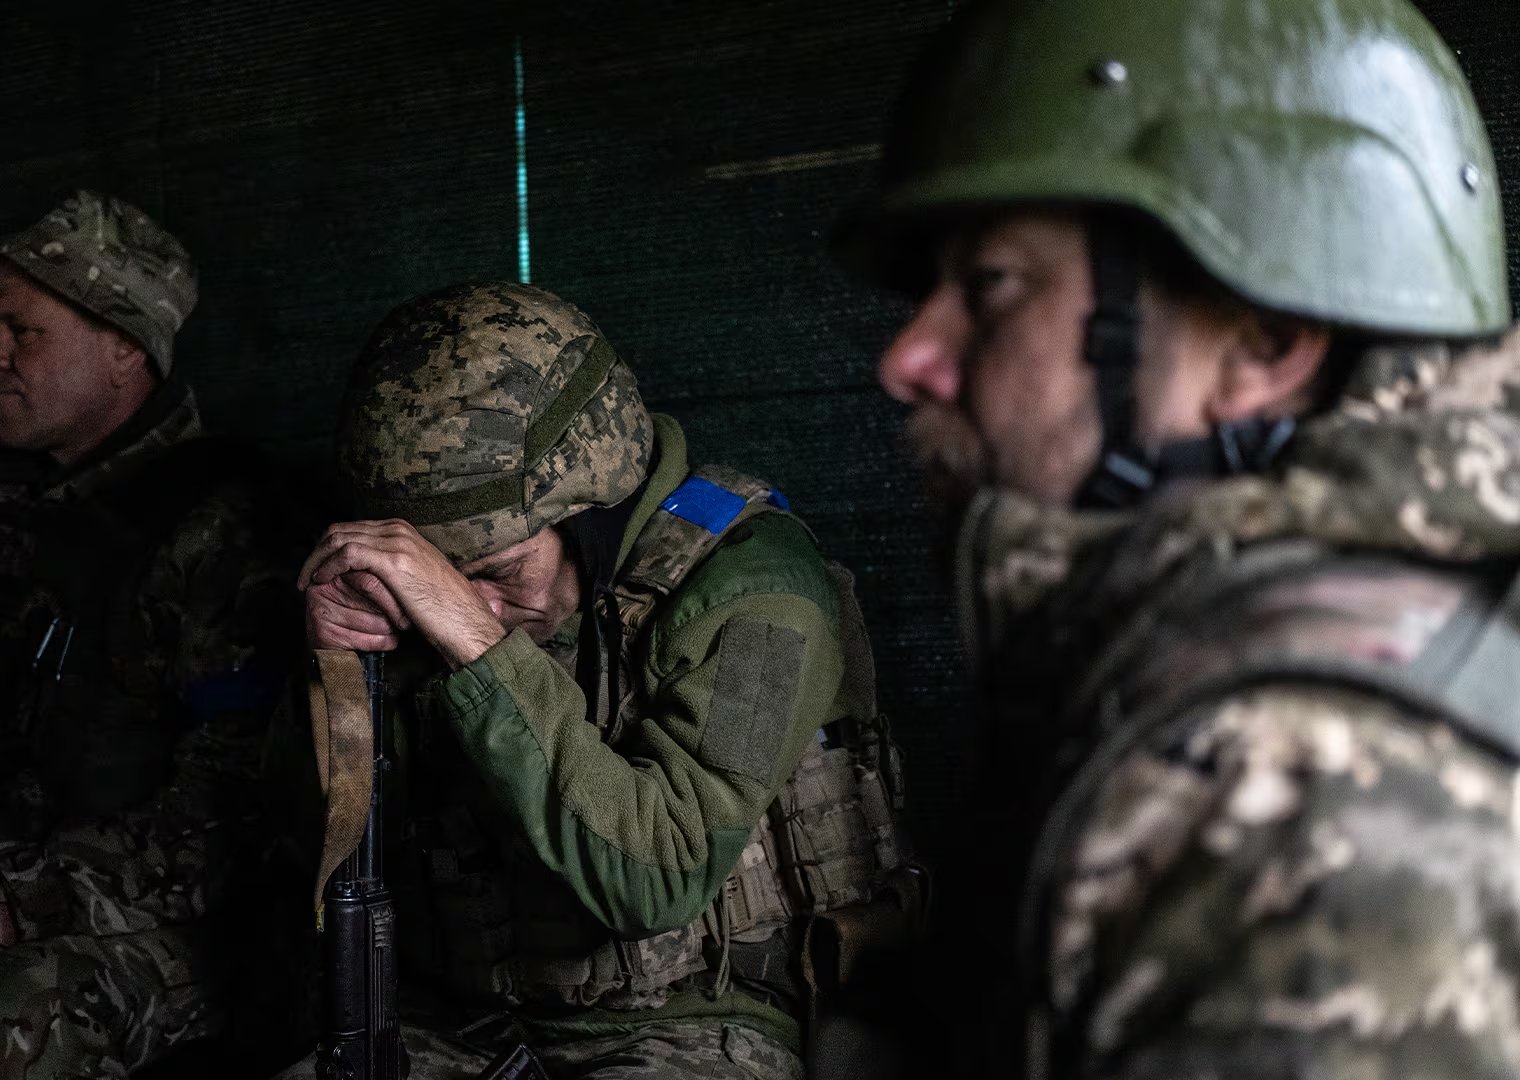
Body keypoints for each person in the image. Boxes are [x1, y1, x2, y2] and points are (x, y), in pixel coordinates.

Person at [842, 0, 1520, 1075]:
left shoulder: (1295, 784)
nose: (909, 358)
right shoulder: (1241, 664)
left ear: (1262, 344)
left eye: (991, 286)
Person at [288, 281, 914, 1078]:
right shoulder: (451, 602)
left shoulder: (761, 593)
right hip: (464, 1021)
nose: (471, 602)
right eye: (443, 579)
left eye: (499, 572)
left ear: (590, 510)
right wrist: (336, 668)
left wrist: (475, 642)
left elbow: (658, 878)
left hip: (697, 1024)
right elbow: (302, 835)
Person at [0, 191, 298, 1079]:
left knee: (23, 1010)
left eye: (23, 332)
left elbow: (235, 809)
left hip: (127, 913)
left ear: (124, 347)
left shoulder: (217, 530)